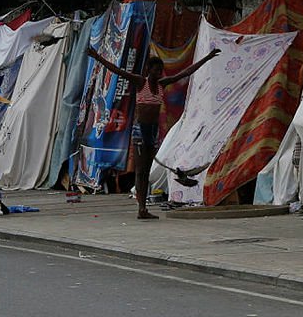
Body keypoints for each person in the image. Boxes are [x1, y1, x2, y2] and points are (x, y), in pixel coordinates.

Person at [86, 45, 221, 219]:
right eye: (156, 70)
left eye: (160, 71)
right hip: (140, 129)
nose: (158, 73)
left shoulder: (161, 84)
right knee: (141, 171)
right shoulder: (140, 82)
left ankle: (143, 209)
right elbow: (117, 70)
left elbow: (186, 73)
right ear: (148, 70)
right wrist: (97, 56)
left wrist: (208, 57)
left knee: (146, 170)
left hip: (152, 130)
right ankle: (141, 208)